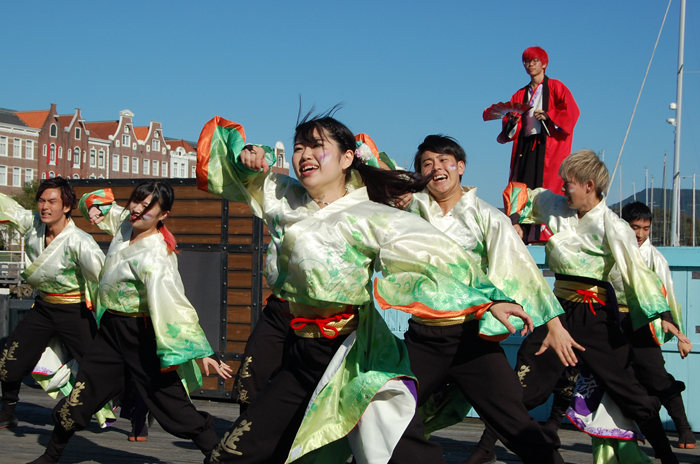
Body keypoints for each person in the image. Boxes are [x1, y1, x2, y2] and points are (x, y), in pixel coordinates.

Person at [196, 111, 537, 464]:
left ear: (347, 158)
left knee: (396, 452)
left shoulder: (373, 215)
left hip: (354, 354)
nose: (305, 155)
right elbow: (232, 168)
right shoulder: (281, 195)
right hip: (300, 348)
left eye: (317, 146)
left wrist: (487, 300)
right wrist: (251, 153)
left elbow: (435, 259)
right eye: (299, 148)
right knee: (234, 453)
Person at [466, 150, 689, 464]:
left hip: (595, 314)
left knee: (629, 389)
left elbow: (638, 273)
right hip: (555, 309)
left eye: (568, 183)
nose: (563, 189)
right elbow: (519, 192)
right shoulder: (555, 205)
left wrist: (661, 314)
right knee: (524, 386)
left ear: (589, 185)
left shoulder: (614, 226)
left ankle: (668, 459)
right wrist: (516, 221)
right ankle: (484, 449)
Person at [386, 135, 581, 464]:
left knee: (515, 421)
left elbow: (521, 269)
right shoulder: (410, 209)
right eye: (427, 164)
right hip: (423, 337)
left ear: (460, 167)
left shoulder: (488, 217)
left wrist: (554, 325)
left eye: (444, 160)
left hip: (472, 339)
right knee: (389, 407)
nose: (436, 168)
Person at [28, 181, 232, 464]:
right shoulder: (126, 223)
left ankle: (219, 456)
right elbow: (93, 202)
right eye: (136, 200)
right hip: (111, 332)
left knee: (171, 405)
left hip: (142, 335)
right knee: (82, 395)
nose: (137, 209)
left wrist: (202, 351)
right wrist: (95, 208)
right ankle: (50, 456)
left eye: (148, 206)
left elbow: (173, 304)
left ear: (163, 215)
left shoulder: (157, 255)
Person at [0, 177, 104, 429]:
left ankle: (131, 415)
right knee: (9, 362)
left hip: (75, 310)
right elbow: (7, 206)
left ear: (66, 206)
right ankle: (8, 410)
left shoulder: (81, 242)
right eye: (41, 201)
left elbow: (104, 279)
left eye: (52, 201)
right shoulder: (33, 225)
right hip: (44, 307)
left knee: (98, 366)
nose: (45, 207)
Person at [498, 47, 580, 242]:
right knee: (522, 185)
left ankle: (546, 233)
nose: (530, 65)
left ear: (544, 63)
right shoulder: (519, 94)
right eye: (526, 62)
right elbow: (510, 124)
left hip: (547, 145)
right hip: (525, 146)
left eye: (534, 61)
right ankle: (521, 231)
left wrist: (549, 115)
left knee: (547, 187)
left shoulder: (556, 87)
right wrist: (512, 121)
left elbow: (572, 111)